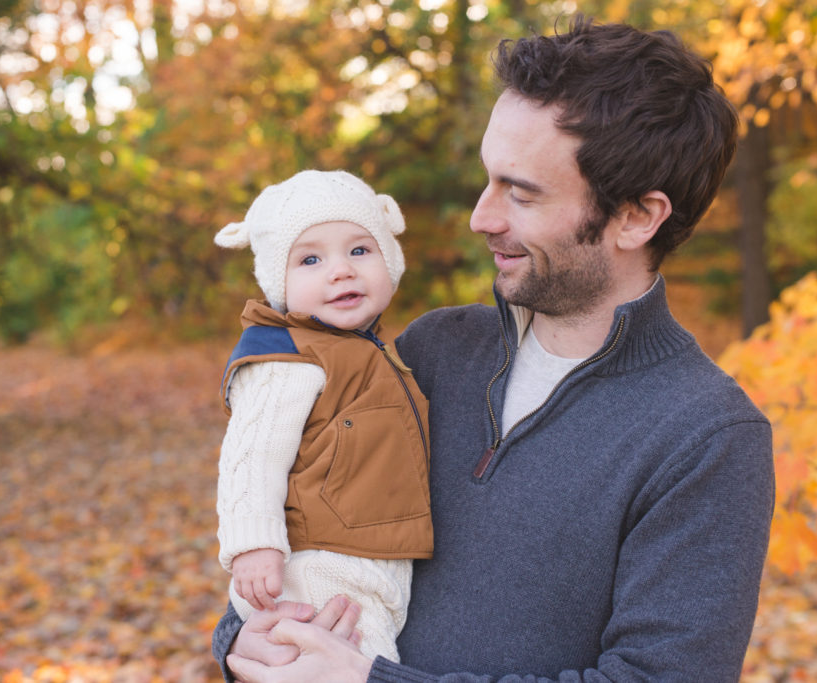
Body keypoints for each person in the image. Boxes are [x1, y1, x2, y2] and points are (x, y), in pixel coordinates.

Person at [212, 16, 775, 683]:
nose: (483, 216)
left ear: (636, 217)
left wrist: (370, 679)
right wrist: (244, 639)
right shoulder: (433, 350)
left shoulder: (706, 436)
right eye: (489, 180)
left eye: (522, 192)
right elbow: (291, 519)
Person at [212, 169, 433, 663]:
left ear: (390, 261)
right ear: (279, 282)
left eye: (360, 250)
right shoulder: (287, 357)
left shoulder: (369, 352)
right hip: (316, 571)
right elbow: (253, 453)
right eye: (310, 258)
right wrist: (254, 546)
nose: (341, 270)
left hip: (371, 570)